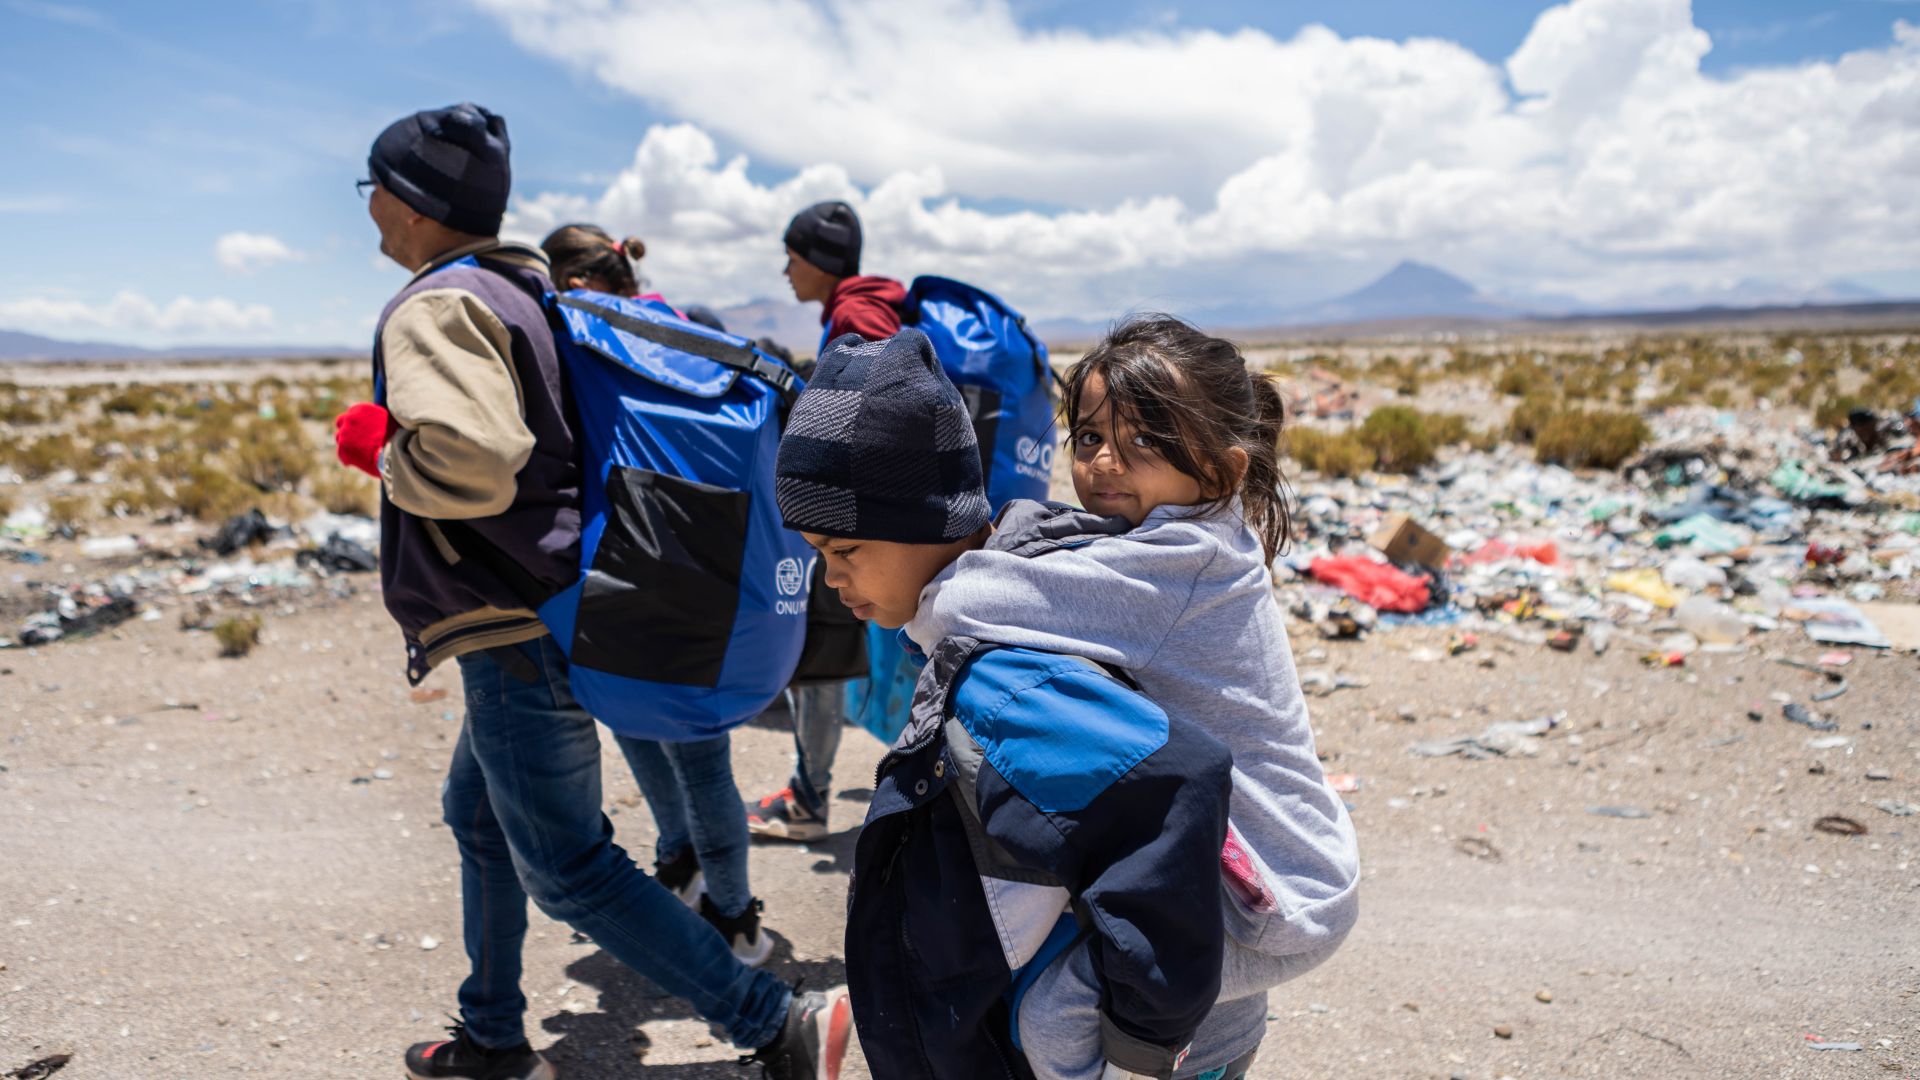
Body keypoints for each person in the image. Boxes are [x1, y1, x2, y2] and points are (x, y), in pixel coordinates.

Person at [335, 102, 847, 1080]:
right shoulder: (524, 288)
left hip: (509, 624)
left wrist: (383, 450)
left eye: (374, 194)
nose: (373, 213)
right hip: (551, 610)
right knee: (480, 818)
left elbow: (476, 461)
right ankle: (490, 1033)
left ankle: (772, 1024)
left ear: (404, 202)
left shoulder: (442, 303)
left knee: (566, 863)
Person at [908, 315, 1362, 1079]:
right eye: (1088, 438)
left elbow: (950, 606)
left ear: (1222, 469)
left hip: (1275, 904)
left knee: (1054, 1019)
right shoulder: (1203, 534)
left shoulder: (1178, 563)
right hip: (1263, 871)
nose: (1105, 462)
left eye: (1144, 441)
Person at [775, 329, 1237, 1079]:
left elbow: (1177, 782)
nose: (831, 580)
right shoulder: (1018, 588)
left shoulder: (999, 676)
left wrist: (1134, 1056)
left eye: (844, 550)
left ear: (921, 518)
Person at [746, 200, 906, 842]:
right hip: (878, 513)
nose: (786, 273)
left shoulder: (855, 314)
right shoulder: (868, 305)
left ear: (816, 259)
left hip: (856, 514)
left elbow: (871, 407)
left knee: (820, 662)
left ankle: (810, 802)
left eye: (791, 258)